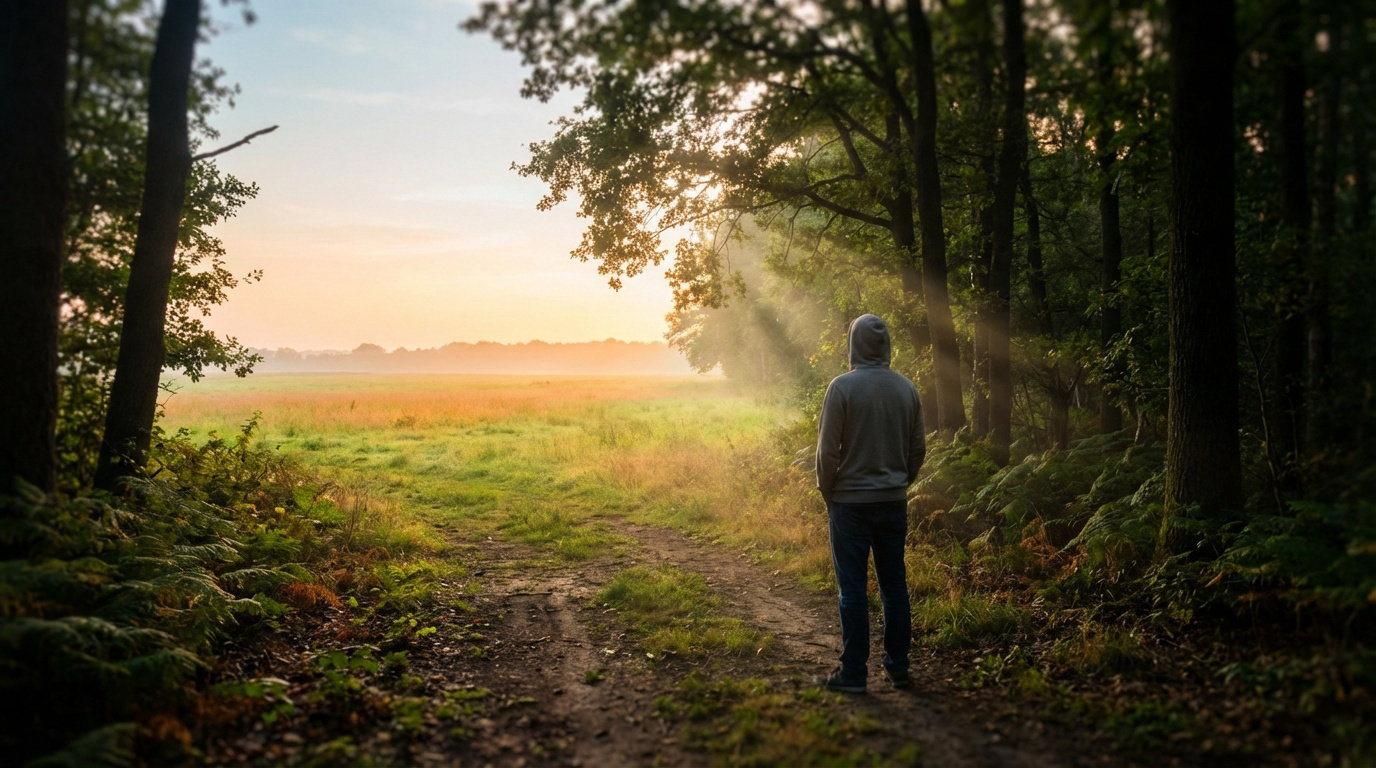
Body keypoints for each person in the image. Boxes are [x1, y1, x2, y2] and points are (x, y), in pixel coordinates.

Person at [814, 314, 926, 693]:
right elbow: (917, 450)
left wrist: (828, 489)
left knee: (852, 588)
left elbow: (828, 452)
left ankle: (853, 675)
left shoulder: (841, 388)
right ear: (886, 345)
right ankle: (898, 667)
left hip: (849, 504)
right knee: (894, 585)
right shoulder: (907, 389)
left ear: (853, 344)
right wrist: (900, 482)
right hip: (893, 502)